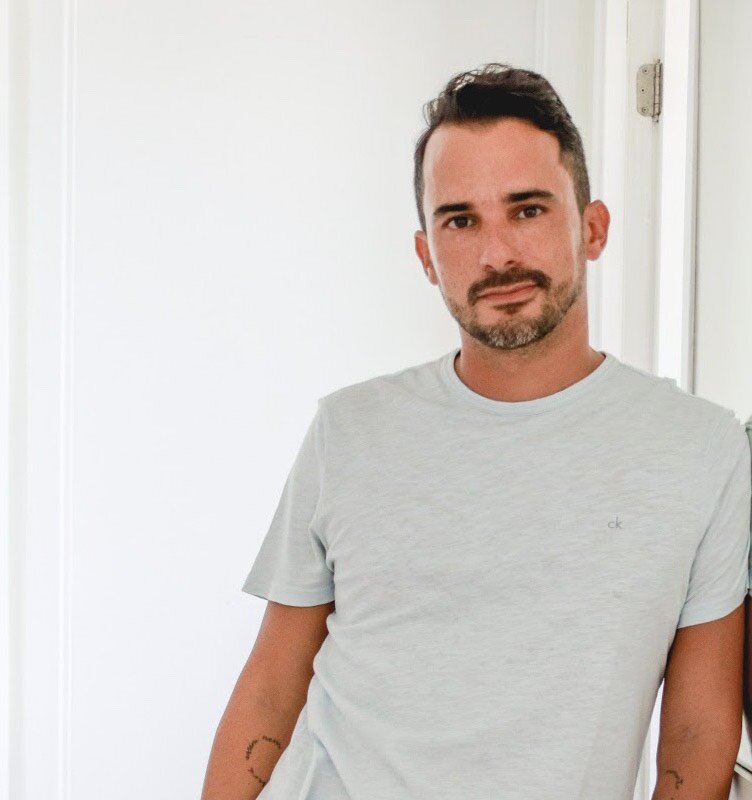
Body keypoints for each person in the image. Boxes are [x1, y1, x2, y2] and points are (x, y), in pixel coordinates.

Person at [201, 63, 752, 800]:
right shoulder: (348, 430)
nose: (497, 255)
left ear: (592, 228)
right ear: (427, 256)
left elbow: (698, 733)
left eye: (528, 210)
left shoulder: (703, 450)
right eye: (460, 221)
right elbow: (270, 689)